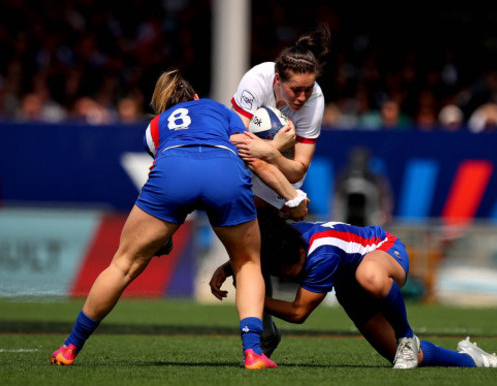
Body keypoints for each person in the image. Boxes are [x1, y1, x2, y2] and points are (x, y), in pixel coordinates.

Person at [50, 68, 310, 370]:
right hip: (223, 171)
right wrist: (291, 195)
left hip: (173, 174)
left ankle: (70, 346)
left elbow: (164, 174)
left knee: (122, 264)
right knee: (248, 263)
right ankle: (253, 352)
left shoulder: (155, 126)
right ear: (195, 97)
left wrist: (164, 235)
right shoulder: (218, 109)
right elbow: (249, 156)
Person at [209, 213, 497, 369]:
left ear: (301, 255)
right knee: (402, 357)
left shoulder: (321, 256)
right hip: (348, 284)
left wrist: (254, 300)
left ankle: (406, 335)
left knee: (369, 275)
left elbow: (299, 313)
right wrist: (228, 267)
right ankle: (473, 360)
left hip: (383, 250)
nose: (287, 274)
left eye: (288, 268)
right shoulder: (285, 241)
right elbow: (256, 248)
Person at [228, 24, 331, 356]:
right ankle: (265, 329)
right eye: (295, 90)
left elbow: (299, 166)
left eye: (308, 89)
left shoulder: (315, 100)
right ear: (277, 81)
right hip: (245, 163)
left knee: (255, 253)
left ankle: (262, 330)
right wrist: (274, 147)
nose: (302, 98)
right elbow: (237, 145)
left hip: (279, 174)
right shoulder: (256, 81)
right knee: (247, 253)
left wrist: (271, 152)